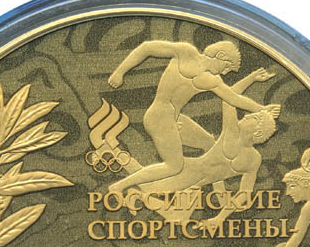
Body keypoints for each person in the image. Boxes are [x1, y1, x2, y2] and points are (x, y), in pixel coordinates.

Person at [107, 40, 280, 192]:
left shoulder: (212, 80)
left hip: (175, 119)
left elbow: (233, 98)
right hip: (159, 118)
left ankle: (219, 194)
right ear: (220, 55)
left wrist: (261, 108)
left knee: (208, 141)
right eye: (227, 67)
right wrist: (119, 72)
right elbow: (147, 47)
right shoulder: (185, 51)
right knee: (174, 166)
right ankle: (120, 186)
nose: (226, 72)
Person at [134, 69, 278, 224]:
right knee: (146, 188)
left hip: (194, 184)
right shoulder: (243, 147)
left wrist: (219, 218)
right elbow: (230, 96)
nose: (247, 115)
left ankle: (121, 161)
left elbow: (245, 193)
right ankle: (121, 158)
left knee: (167, 208)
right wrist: (252, 78)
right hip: (186, 172)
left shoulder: (248, 153)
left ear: (257, 133)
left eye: (254, 118)